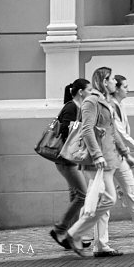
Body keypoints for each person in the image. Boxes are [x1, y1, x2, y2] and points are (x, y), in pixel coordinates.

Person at [61, 67, 134, 257]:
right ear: (103, 82)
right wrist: (97, 155)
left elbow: (113, 131)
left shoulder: (106, 102)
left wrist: (125, 154)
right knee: (108, 199)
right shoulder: (91, 101)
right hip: (97, 161)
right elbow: (86, 130)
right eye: (111, 79)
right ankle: (74, 233)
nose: (114, 83)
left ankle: (101, 245)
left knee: (104, 201)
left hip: (109, 158)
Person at [92, 75, 134, 243]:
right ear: (117, 89)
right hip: (109, 155)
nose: (127, 89)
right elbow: (119, 134)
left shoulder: (119, 105)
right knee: (104, 197)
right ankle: (91, 235)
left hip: (119, 155)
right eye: (125, 86)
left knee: (130, 189)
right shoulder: (110, 106)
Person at [48, 78, 92, 250]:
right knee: (82, 194)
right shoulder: (71, 107)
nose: (91, 93)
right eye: (89, 90)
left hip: (70, 159)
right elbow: (66, 131)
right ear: (81, 92)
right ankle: (60, 229)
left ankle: (70, 235)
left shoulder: (77, 107)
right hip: (67, 159)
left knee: (75, 195)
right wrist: (76, 150)